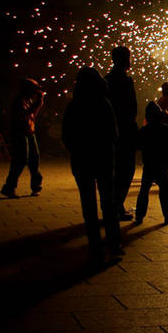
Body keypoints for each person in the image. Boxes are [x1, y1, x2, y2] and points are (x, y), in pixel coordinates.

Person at [62, 67, 122, 261]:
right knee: (109, 202)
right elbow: (114, 133)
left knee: (88, 204)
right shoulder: (104, 103)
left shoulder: (74, 105)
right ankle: (114, 244)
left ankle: (95, 246)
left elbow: (67, 135)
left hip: (82, 160)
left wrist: (78, 149)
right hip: (103, 157)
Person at [105, 46, 138, 221]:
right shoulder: (126, 81)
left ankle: (113, 206)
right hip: (124, 130)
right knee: (126, 169)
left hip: (110, 131)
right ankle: (117, 206)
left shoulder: (106, 80)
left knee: (114, 170)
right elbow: (132, 108)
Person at [1, 78, 44, 198]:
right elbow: (22, 116)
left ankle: (36, 186)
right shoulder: (18, 101)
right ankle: (9, 187)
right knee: (20, 160)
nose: (37, 91)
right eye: (35, 88)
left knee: (34, 159)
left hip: (30, 132)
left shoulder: (29, 100)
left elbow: (32, 116)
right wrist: (36, 104)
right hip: (20, 132)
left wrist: (38, 104)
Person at [135, 101, 168, 225]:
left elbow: (138, 145)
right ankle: (167, 216)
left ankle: (139, 216)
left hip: (149, 163)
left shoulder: (144, 130)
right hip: (162, 163)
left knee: (144, 190)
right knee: (164, 191)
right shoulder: (166, 129)